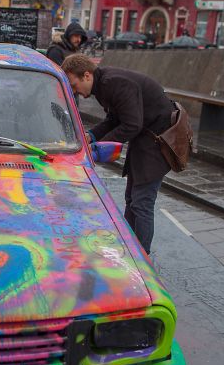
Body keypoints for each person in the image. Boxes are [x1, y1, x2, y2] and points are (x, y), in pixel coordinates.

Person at [62, 54, 174, 254]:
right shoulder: (104, 86)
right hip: (146, 140)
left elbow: (132, 124)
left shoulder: (115, 83)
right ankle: (131, 248)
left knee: (142, 202)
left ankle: (142, 256)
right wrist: (91, 136)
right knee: (132, 199)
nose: (73, 90)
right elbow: (114, 120)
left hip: (158, 143)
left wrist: (99, 146)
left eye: (73, 84)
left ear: (87, 75)